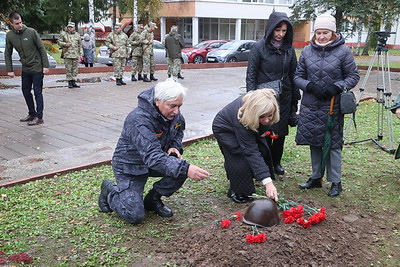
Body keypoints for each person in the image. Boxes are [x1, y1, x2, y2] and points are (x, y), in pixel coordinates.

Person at [98, 79, 210, 224]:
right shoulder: (138, 120)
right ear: (158, 101)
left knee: (179, 169)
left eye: (180, 106)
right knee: (135, 215)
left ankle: (153, 199)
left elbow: (178, 131)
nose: (177, 111)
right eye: (173, 106)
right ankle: (110, 191)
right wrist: (186, 168)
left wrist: (175, 146)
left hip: (155, 162)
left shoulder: (174, 115)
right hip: (130, 167)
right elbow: (152, 156)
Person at [294, 14, 360, 197]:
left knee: (333, 144)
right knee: (314, 142)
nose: (321, 36)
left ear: (333, 33)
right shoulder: (307, 51)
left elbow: (353, 76)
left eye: (325, 32)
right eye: (318, 33)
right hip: (311, 104)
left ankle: (335, 181)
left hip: (332, 105)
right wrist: (310, 86)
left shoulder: (344, 52)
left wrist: (336, 87)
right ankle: (316, 177)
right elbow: (297, 76)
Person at [246, 12, 300, 176]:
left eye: (284, 31)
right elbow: (251, 74)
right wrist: (251, 98)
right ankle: (264, 164)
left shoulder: (289, 49)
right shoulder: (258, 47)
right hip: (264, 97)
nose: (280, 34)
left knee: (280, 133)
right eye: (277, 30)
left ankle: (276, 162)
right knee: (264, 132)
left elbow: (294, 74)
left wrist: (295, 99)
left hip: (284, 96)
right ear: (270, 29)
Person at [212, 89, 280, 203]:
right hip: (225, 129)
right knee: (239, 156)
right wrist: (268, 183)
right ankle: (237, 191)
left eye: (270, 115)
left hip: (248, 125)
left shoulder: (269, 101)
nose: (267, 120)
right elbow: (250, 151)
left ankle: (253, 176)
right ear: (254, 114)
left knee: (262, 149)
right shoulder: (242, 116)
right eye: (262, 117)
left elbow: (266, 120)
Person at [5, 11, 49, 126]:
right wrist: (9, 69)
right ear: (11, 24)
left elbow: (42, 49)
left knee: (37, 92)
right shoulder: (10, 36)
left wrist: (45, 66)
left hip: (37, 67)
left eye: (20, 22)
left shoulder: (31, 32)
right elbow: (7, 53)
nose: (19, 25)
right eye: (16, 23)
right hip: (26, 68)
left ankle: (39, 117)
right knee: (25, 91)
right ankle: (32, 114)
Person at [58, 22, 82, 88]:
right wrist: (65, 44)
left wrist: (81, 54)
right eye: (69, 27)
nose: (70, 28)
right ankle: (69, 82)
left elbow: (80, 45)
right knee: (68, 69)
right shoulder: (64, 34)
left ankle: (74, 81)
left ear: (74, 27)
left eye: (71, 27)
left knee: (75, 69)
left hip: (75, 54)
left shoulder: (77, 35)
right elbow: (59, 42)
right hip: (67, 54)